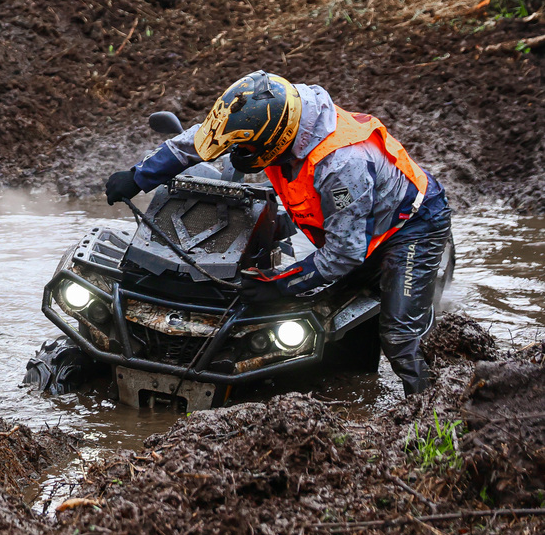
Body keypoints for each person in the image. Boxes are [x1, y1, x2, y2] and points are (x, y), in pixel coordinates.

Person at [104, 71, 451, 397]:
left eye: (245, 148)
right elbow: (202, 139)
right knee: (329, 309)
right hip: (353, 214)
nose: (236, 152)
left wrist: (278, 284)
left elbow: (344, 253)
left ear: (273, 142)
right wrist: (138, 176)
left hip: (410, 225)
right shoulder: (271, 116)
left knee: (398, 336)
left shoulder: (341, 166)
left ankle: (430, 411)